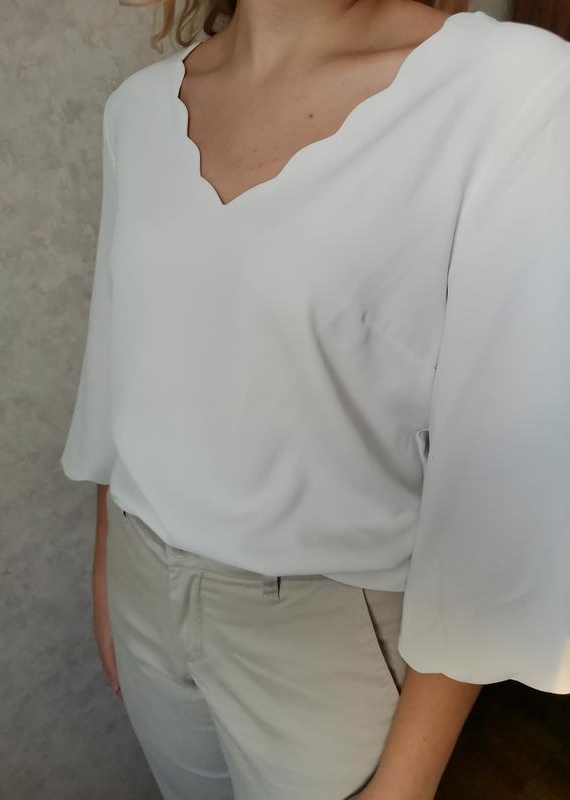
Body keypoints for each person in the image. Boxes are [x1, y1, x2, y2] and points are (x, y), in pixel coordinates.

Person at [60, 1, 570, 798]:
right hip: (141, 582)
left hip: (325, 634)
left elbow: (506, 484)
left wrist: (405, 784)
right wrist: (107, 570)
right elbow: (118, 363)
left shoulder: (509, 91)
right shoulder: (138, 109)